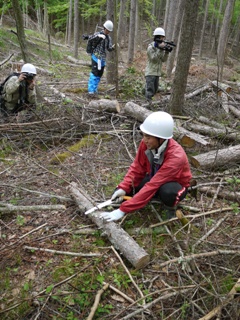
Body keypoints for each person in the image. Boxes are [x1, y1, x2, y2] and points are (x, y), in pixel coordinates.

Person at [100, 111, 192, 222]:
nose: (144, 140)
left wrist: (123, 210)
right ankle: (145, 197)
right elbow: (137, 167)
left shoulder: (176, 157)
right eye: (144, 135)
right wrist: (124, 187)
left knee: (168, 193)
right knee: (131, 187)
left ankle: (170, 207)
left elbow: (154, 185)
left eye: (148, 137)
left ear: (161, 138)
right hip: (155, 178)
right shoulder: (147, 144)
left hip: (174, 185)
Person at [87, 20, 115, 96]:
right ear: (104, 28)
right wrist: (98, 36)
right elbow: (90, 38)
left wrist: (112, 48)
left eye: (109, 31)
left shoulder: (108, 38)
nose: (108, 32)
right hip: (96, 57)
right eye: (107, 30)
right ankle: (91, 90)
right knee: (94, 73)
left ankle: (95, 89)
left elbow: (108, 48)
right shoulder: (97, 34)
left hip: (102, 59)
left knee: (99, 74)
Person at [144, 27, 172, 101]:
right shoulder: (151, 47)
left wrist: (166, 52)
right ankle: (147, 105)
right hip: (150, 73)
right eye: (161, 37)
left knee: (155, 90)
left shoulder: (160, 47)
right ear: (157, 37)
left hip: (157, 73)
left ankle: (150, 104)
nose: (163, 39)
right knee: (150, 91)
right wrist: (160, 49)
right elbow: (154, 59)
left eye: (163, 37)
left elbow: (163, 60)